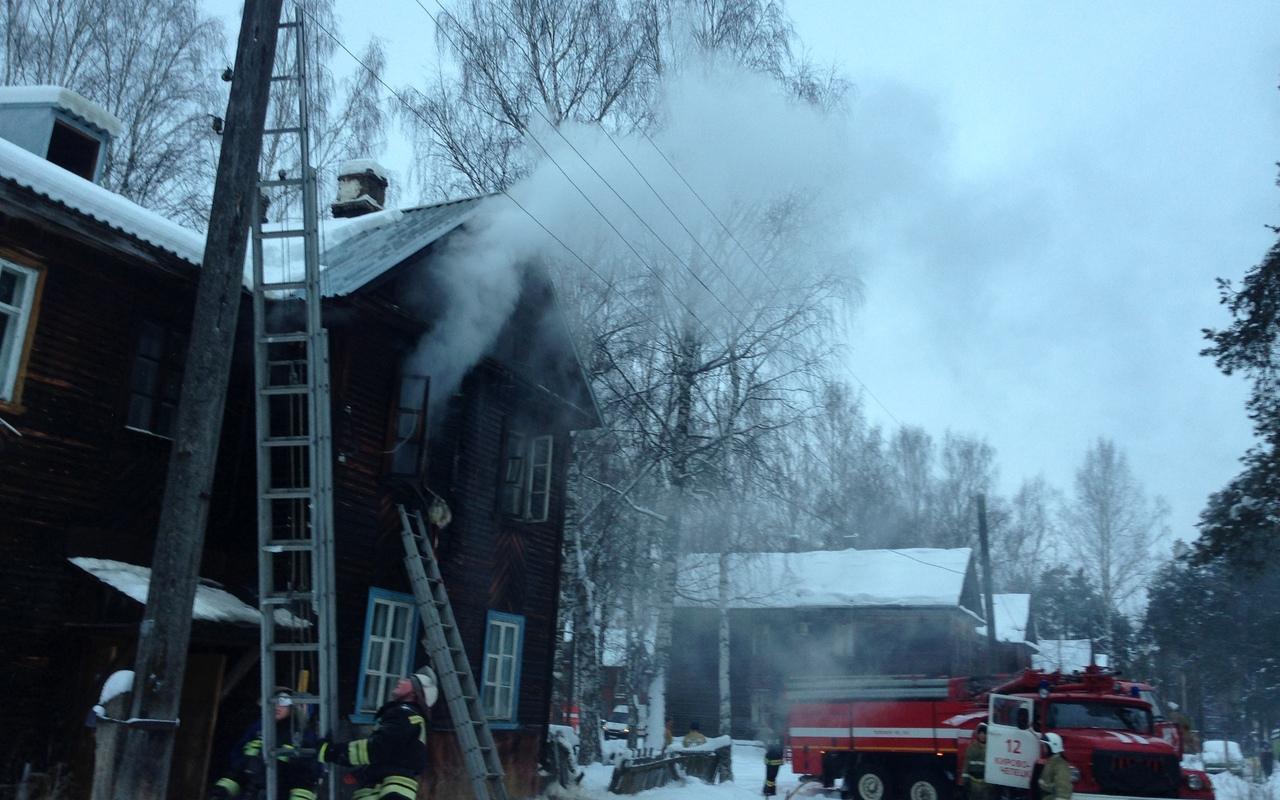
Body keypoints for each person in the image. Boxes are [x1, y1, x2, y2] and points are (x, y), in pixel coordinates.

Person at [320, 667, 438, 800]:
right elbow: (393, 756)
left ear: (414, 693)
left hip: (389, 791)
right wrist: (362, 773)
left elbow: (377, 748)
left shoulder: (403, 714)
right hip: (385, 789)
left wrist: (330, 752)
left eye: (408, 680)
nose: (400, 681)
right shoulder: (410, 718)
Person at [210, 688, 319, 800]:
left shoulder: (302, 736)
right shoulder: (258, 731)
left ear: (293, 707)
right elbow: (241, 768)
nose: (277, 706)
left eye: (283, 702)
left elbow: (306, 777)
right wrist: (221, 791)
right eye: (274, 702)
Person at [1038, 733, 1072, 800]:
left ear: (1052, 746)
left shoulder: (1060, 764)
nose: (1043, 748)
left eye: (1045, 746)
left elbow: (1064, 788)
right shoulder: (1052, 761)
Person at [963, 723, 990, 800]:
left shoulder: (991, 748)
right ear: (977, 734)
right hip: (973, 784)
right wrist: (965, 782)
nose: (983, 735)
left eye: (985, 733)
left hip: (986, 785)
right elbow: (966, 765)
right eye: (981, 733)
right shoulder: (971, 748)